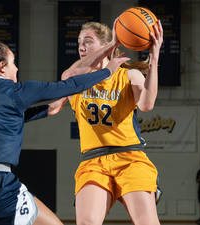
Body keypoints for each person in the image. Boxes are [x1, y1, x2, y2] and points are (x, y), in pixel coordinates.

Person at [0, 32, 128, 225]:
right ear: (2, 66)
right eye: (13, 63)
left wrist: (46, 110)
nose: (17, 68)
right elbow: (70, 84)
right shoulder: (16, 91)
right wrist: (108, 72)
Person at [61, 19, 163, 225]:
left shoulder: (129, 75)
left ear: (106, 44)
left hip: (130, 157)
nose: (81, 46)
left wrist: (154, 56)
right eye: (79, 41)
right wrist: (113, 45)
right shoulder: (75, 79)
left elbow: (147, 104)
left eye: (88, 41)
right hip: (93, 161)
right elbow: (69, 74)